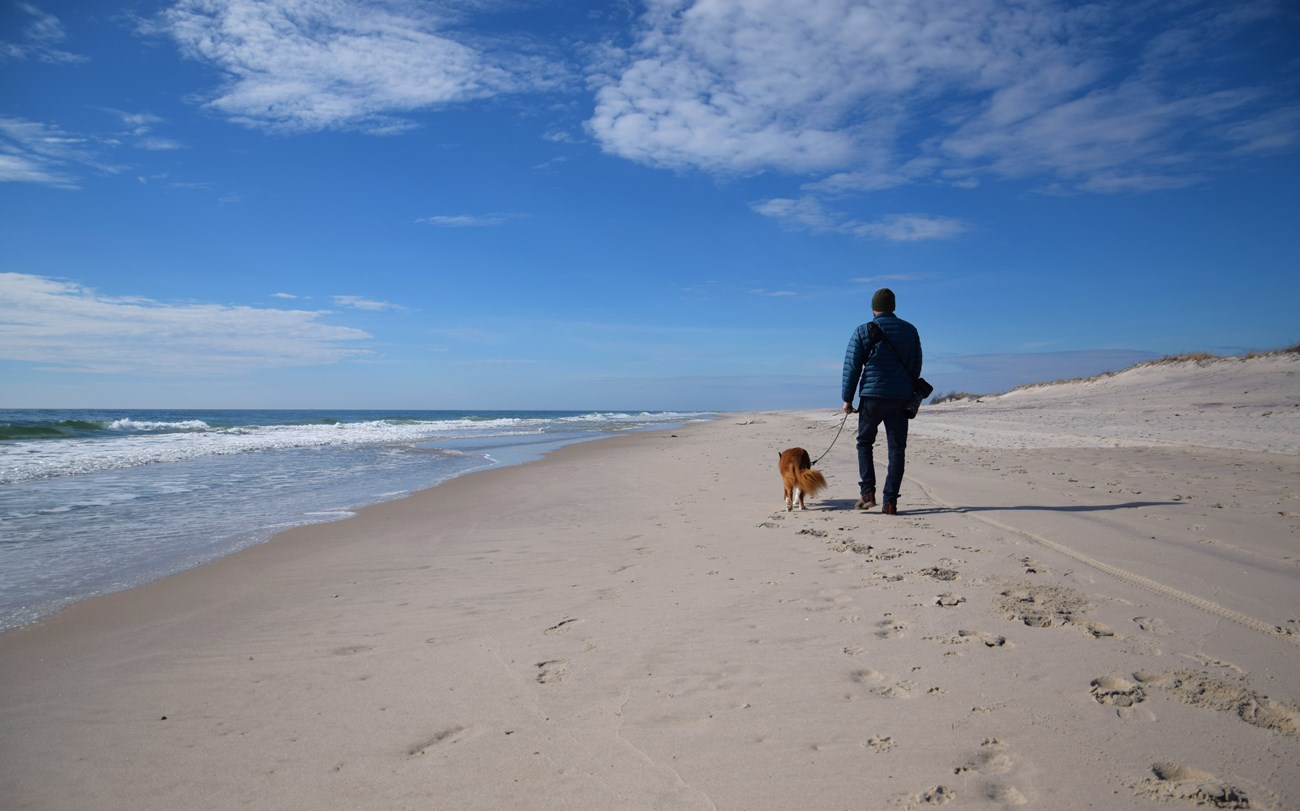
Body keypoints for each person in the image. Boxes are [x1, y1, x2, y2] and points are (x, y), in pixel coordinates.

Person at [841, 287, 922, 515]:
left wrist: (847, 398)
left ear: (873, 307)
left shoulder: (863, 330)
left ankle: (867, 493)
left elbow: (852, 367)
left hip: (872, 398)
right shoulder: (910, 330)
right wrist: (906, 387)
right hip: (901, 398)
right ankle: (890, 502)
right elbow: (916, 365)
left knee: (864, 443)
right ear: (893, 307)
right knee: (897, 449)